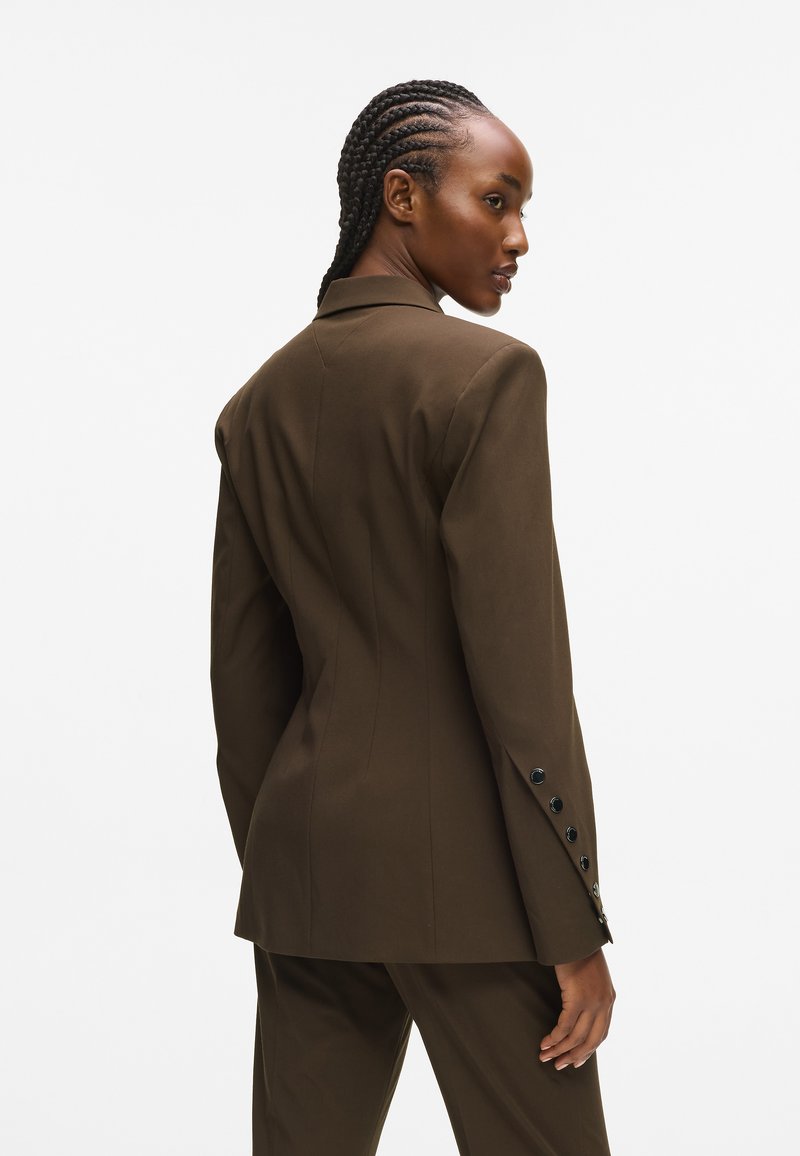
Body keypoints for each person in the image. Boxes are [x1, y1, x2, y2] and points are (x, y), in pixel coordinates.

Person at [210, 79, 617, 1156]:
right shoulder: (486, 378)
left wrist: (287, 870)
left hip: (306, 880)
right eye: (497, 200)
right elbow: (522, 678)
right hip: (476, 888)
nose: (518, 237)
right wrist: (571, 923)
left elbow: (243, 682)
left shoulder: (258, 403)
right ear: (401, 196)